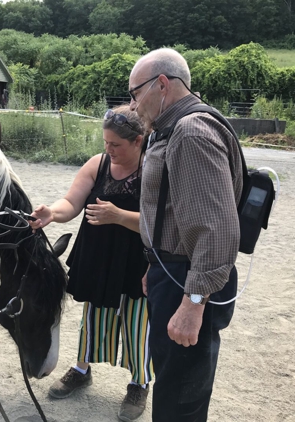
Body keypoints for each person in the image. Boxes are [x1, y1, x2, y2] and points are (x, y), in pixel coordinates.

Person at [128, 48, 243, 421]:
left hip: (188, 281)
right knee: (174, 379)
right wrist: (156, 261)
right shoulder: (173, 129)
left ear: (162, 84)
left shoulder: (191, 132)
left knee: (180, 395)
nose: (132, 106)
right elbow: (175, 213)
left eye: (134, 93)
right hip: (174, 271)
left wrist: (193, 302)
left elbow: (215, 227)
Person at [30, 105, 152, 422]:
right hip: (98, 255)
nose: (108, 150)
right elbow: (71, 202)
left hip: (137, 259)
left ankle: (140, 382)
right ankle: (82, 369)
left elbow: (163, 224)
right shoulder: (98, 164)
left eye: (116, 145)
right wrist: (51, 214)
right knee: (94, 315)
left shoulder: (154, 167)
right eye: (105, 142)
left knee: (138, 322)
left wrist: (119, 216)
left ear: (138, 141)